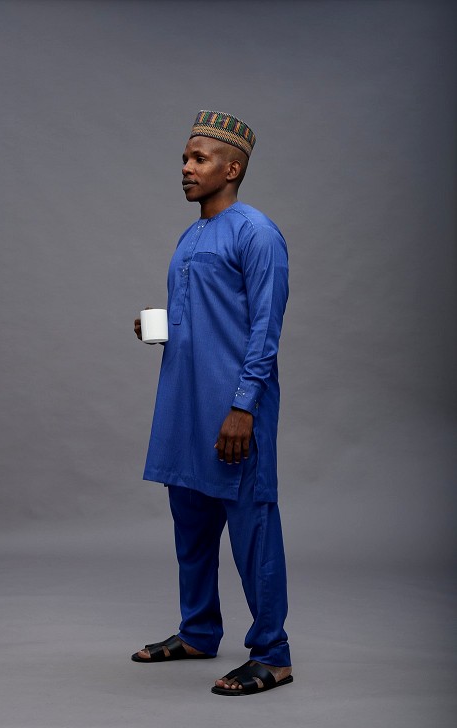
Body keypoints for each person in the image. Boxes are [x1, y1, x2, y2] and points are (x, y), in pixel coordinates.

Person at [133, 110, 292, 696]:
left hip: (232, 412)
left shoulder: (257, 233)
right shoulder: (190, 236)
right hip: (184, 406)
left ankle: (273, 653)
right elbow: (207, 317)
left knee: (252, 530)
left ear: (233, 169)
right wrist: (162, 328)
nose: (186, 168)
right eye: (184, 158)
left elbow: (265, 330)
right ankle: (199, 631)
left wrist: (243, 407)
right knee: (192, 529)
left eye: (199, 159)